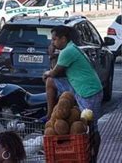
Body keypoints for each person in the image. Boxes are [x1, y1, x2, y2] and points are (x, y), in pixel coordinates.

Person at [42, 26, 103, 161]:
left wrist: (48, 68)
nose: (53, 42)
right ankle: (50, 115)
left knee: (90, 128)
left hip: (89, 92)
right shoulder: (69, 49)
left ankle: (93, 157)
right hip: (78, 87)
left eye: (55, 39)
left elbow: (54, 72)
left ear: (63, 39)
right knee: (51, 82)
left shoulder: (67, 52)